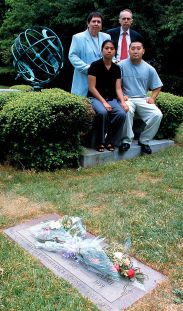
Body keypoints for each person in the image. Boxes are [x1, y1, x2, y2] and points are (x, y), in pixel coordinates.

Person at [118, 41, 163, 154]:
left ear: (143, 51)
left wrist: (152, 98)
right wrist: (122, 96)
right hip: (127, 99)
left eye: (138, 48)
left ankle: (144, 141)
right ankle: (126, 141)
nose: (135, 51)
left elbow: (157, 86)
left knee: (157, 114)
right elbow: (115, 84)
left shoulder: (149, 69)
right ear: (129, 51)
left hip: (143, 99)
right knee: (126, 110)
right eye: (133, 48)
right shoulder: (120, 65)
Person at [88, 39, 129, 152]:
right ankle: (99, 142)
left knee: (121, 114)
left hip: (111, 99)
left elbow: (118, 88)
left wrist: (123, 102)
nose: (109, 50)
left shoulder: (117, 68)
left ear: (115, 51)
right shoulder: (95, 65)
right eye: (106, 48)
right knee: (102, 112)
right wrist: (104, 102)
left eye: (112, 48)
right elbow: (91, 87)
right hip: (95, 98)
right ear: (102, 50)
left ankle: (110, 141)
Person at [69, 12, 110, 96]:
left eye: (99, 22)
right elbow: (72, 56)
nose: (96, 24)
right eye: (93, 21)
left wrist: (113, 62)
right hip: (84, 77)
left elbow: (110, 53)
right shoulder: (78, 37)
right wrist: (88, 68)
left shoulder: (106, 37)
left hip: (102, 78)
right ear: (88, 23)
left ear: (101, 25)